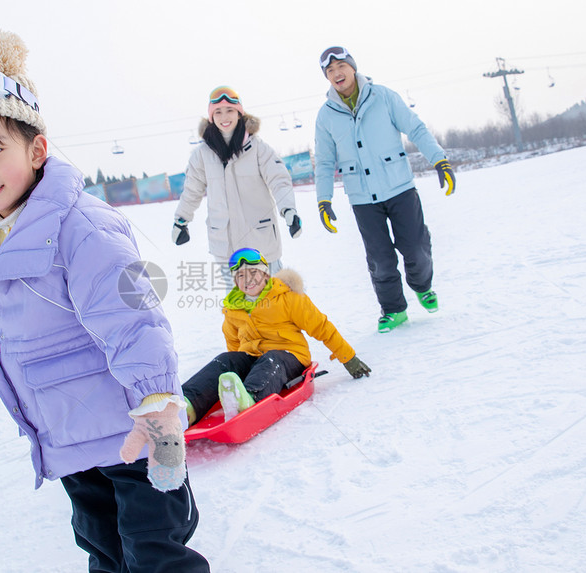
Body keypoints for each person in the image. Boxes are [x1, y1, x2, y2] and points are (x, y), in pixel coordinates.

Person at [0, 31, 209, 572]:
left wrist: (160, 411)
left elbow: (136, 321)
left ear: (37, 148)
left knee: (155, 556)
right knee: (105, 556)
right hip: (74, 446)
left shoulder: (79, 227)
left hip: (135, 435)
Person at [313, 46, 456, 333]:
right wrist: (323, 200)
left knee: (415, 248)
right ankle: (393, 310)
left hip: (400, 188)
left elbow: (415, 129)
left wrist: (439, 159)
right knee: (379, 259)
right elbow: (326, 162)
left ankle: (422, 286)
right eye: (330, 71)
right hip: (363, 198)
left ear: (353, 67)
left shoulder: (383, 97)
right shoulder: (326, 116)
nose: (336, 73)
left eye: (341, 66)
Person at [182, 248, 371, 424]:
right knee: (225, 359)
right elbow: (233, 343)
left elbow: (321, 327)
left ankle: (247, 399)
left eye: (253, 272)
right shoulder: (233, 308)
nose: (248, 279)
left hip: (289, 357)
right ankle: (186, 405)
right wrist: (237, 371)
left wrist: (348, 357)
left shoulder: (288, 298)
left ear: (265, 274)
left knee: (271, 359)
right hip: (254, 359)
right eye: (240, 275)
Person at [172, 86, 302, 287]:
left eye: (230, 110)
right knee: (238, 304)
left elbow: (279, 179)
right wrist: (181, 220)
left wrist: (288, 209)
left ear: (239, 113)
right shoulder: (202, 155)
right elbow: (192, 190)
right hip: (225, 245)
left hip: (260, 241)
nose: (224, 116)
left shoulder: (257, 148)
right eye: (218, 112)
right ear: (211, 117)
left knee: (274, 299)